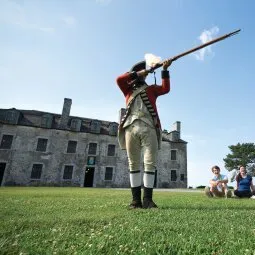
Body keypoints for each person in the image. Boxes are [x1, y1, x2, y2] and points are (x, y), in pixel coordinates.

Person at [116, 58, 172, 209]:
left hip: (149, 128)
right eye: (142, 73)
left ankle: (147, 200)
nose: (144, 76)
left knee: (150, 163)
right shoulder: (127, 89)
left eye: (144, 73)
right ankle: (135, 201)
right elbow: (119, 79)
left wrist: (165, 70)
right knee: (133, 163)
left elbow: (165, 89)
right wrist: (136, 73)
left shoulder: (151, 89)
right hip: (130, 128)